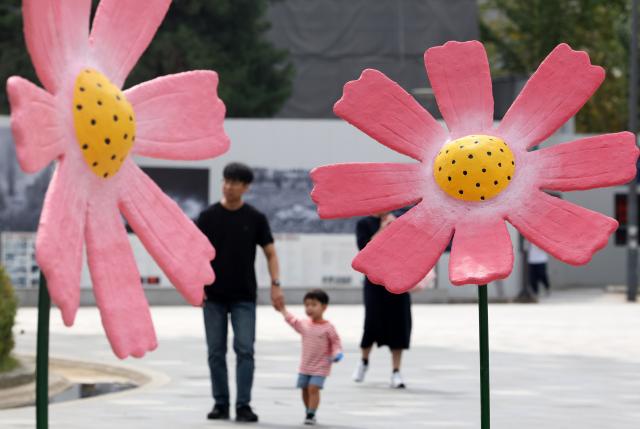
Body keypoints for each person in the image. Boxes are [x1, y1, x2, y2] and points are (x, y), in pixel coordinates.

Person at [196, 162, 284, 423]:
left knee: (245, 350)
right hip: (213, 295)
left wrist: (276, 284)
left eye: (234, 182)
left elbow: (270, 253)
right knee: (215, 352)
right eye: (226, 181)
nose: (228, 186)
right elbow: (196, 255)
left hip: (244, 295)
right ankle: (220, 403)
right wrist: (195, 285)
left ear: (246, 188)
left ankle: (243, 405)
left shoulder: (255, 218)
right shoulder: (208, 217)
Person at [353, 212, 412, 388]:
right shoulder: (364, 223)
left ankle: (396, 371)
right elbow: (365, 250)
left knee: (399, 325)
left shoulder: (399, 221)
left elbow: (409, 248)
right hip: (374, 282)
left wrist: (397, 227)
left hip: (397, 280)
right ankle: (364, 361)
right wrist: (383, 229)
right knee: (371, 323)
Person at [276, 289, 343, 426]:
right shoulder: (305, 324)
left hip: (321, 366)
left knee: (313, 388)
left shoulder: (328, 327)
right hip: (305, 366)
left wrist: (337, 353)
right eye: (306, 305)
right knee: (304, 389)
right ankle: (308, 410)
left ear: (324, 307)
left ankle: (311, 413)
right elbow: (292, 321)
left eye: (313, 305)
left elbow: (336, 342)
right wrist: (282, 309)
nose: (309, 308)